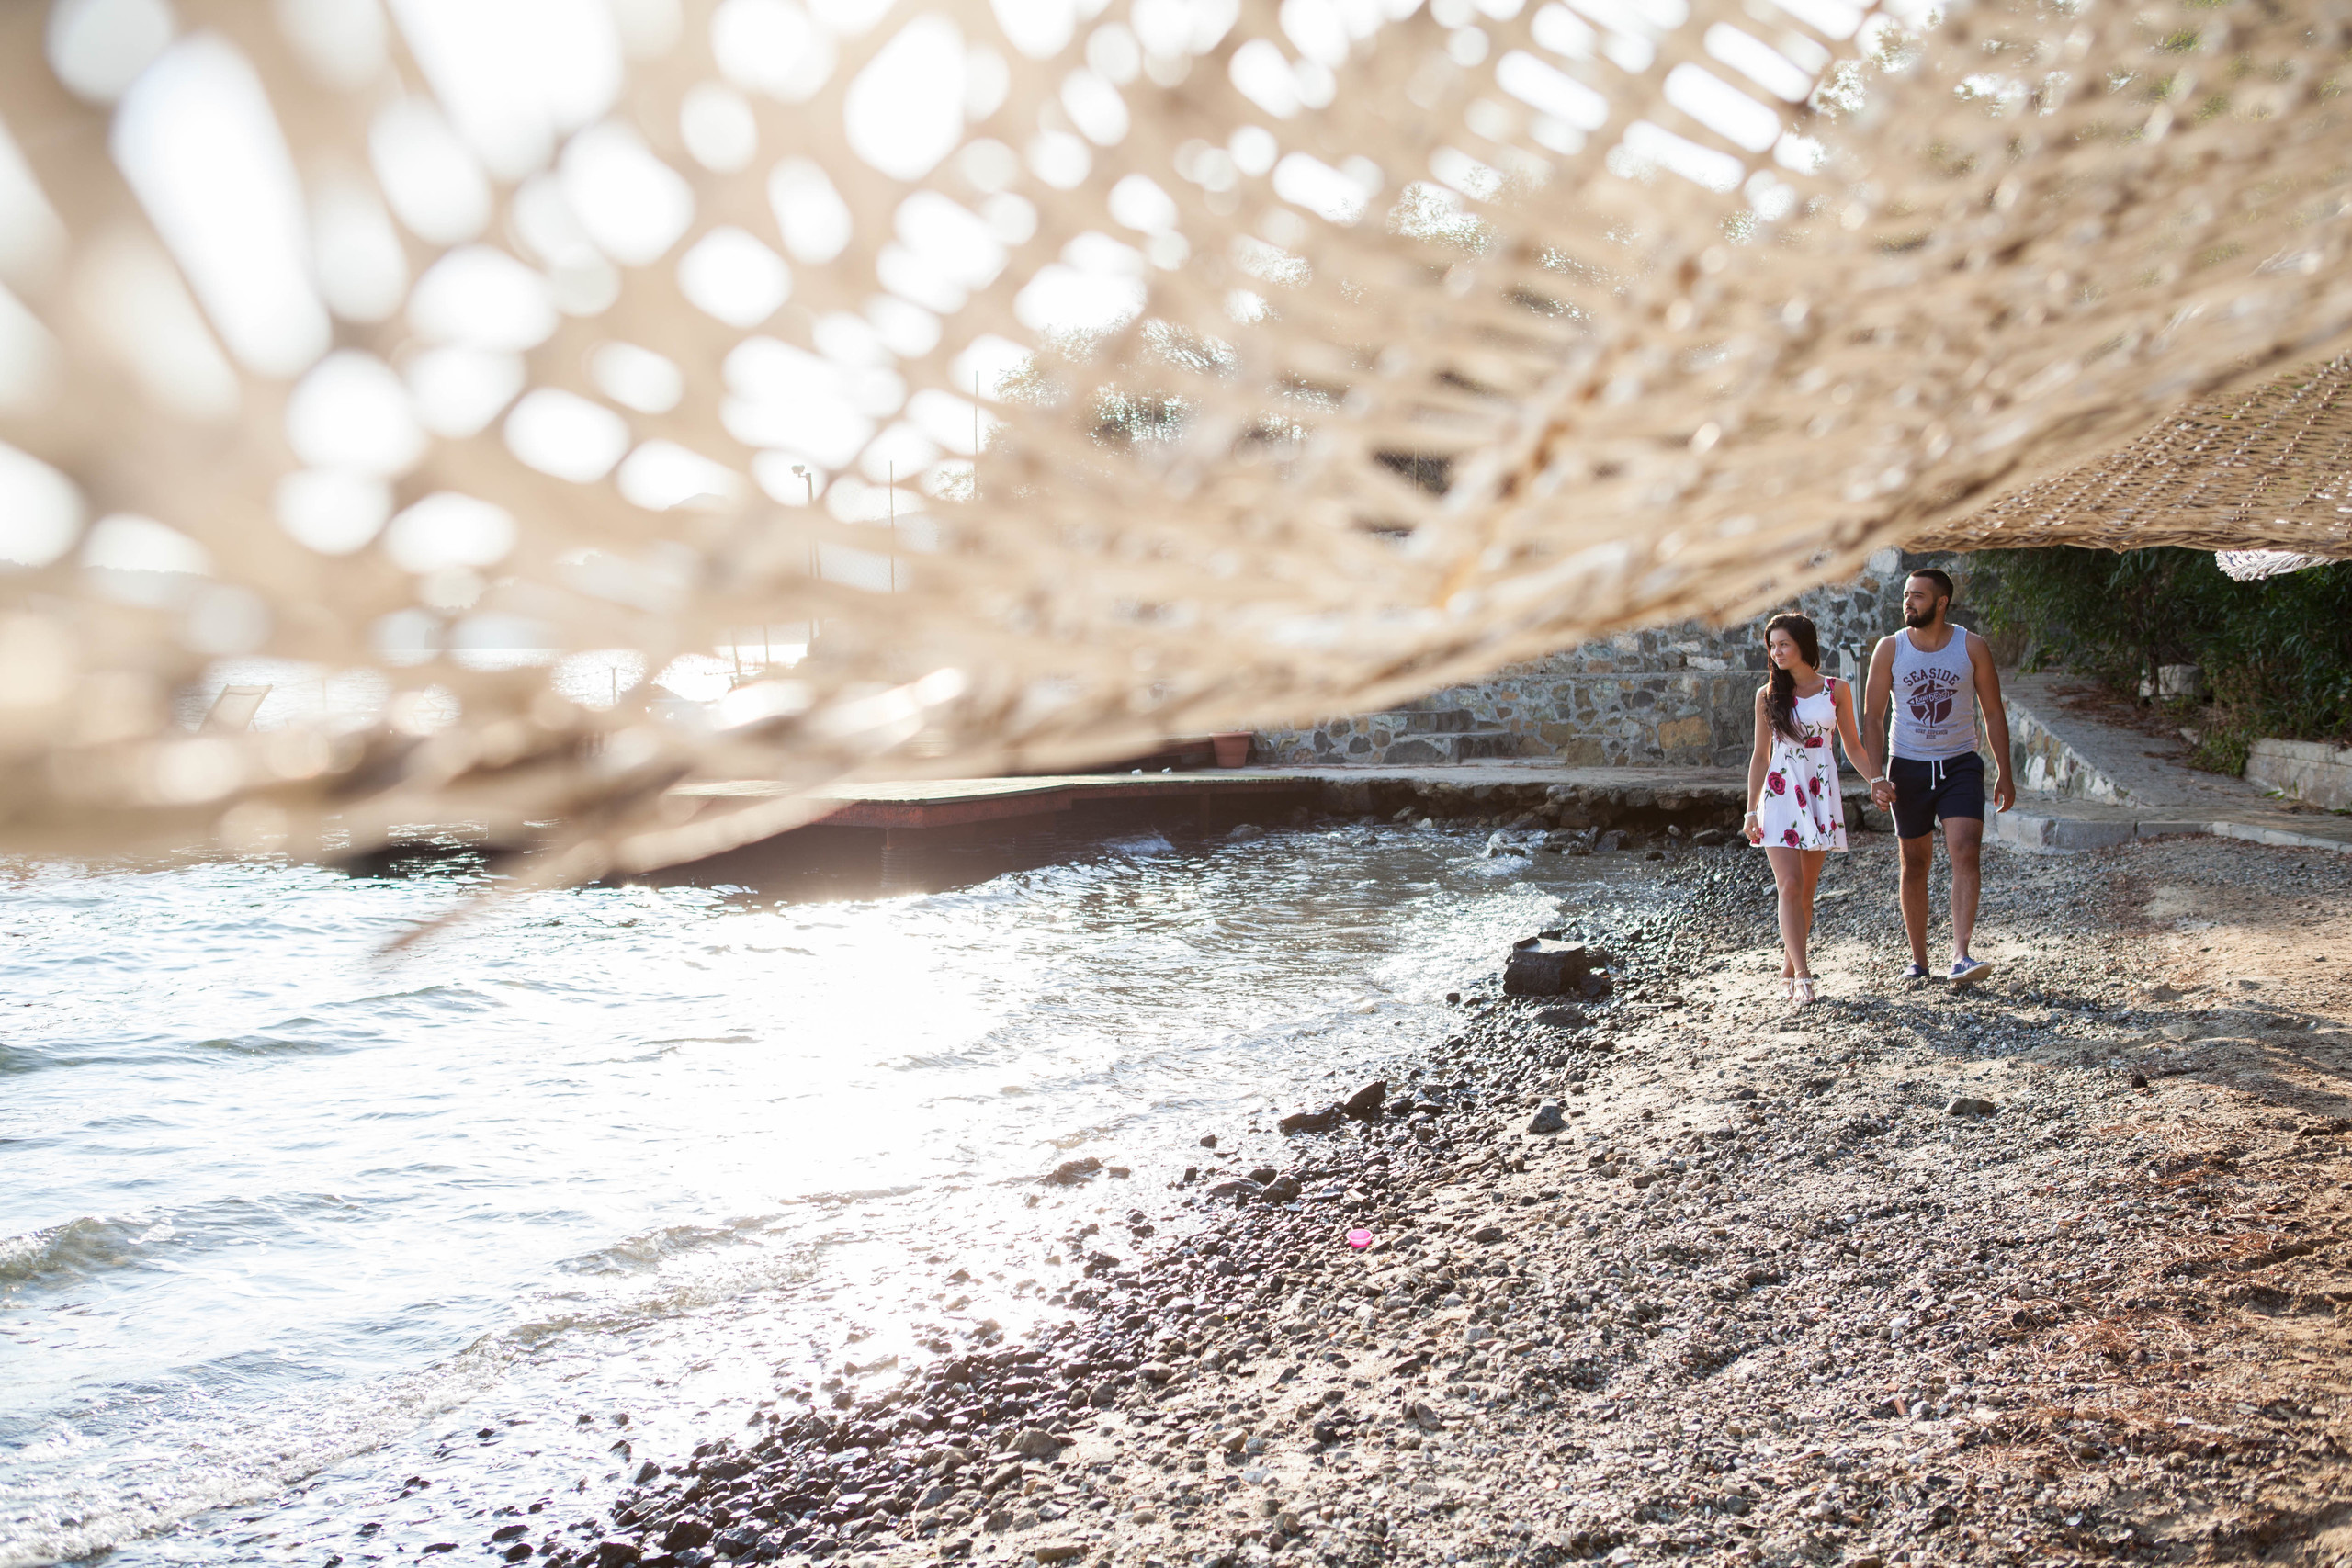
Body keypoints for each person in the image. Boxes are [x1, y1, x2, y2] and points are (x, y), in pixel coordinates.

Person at [1860, 567, 2016, 984]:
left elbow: (1994, 711)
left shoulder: (1972, 647)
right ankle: (1919, 960)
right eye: (1906, 596)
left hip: (1960, 764)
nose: (1908, 603)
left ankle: (1961, 955)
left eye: (1918, 597)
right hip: (1907, 766)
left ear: (1941, 602)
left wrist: (2004, 770)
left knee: (1965, 849)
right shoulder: (1890, 649)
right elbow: (1873, 717)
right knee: (1915, 862)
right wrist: (1876, 775)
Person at [1743, 612, 1873, 1006]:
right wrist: (1750, 811)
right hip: (1781, 792)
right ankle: (1802, 973)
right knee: (1790, 885)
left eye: (1783, 643)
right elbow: (1760, 757)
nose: (1776, 652)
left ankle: (1788, 964)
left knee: (1807, 892)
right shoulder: (1767, 695)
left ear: (1803, 644)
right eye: (1772, 646)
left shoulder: (1837, 689)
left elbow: (1851, 744)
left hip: (1819, 791)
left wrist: (1876, 780)